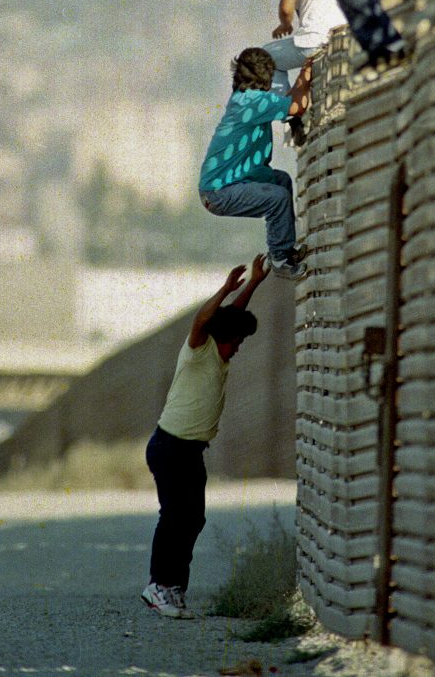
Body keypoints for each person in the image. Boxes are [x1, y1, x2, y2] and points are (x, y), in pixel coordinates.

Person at [142, 255, 269, 619]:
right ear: (221, 338)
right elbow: (205, 320)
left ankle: (174, 588)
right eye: (236, 342)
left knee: (193, 518)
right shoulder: (199, 350)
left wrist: (254, 282)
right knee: (175, 516)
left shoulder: (222, 349)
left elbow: (233, 317)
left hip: (190, 450)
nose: (237, 348)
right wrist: (225, 289)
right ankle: (157, 586)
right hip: (169, 446)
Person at [199, 47, 311, 279]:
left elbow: (290, 99)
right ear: (265, 79)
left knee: (282, 181)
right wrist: (308, 69)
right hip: (219, 191)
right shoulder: (252, 102)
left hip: (237, 180)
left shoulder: (247, 99)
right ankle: (280, 258)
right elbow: (297, 105)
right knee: (277, 198)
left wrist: (304, 76)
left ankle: (284, 249)